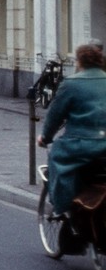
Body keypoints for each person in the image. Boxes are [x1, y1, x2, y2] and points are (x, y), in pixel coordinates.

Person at [37, 43, 106, 216]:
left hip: (80, 145)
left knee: (55, 158)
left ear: (80, 62)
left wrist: (45, 137)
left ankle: (63, 206)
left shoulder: (71, 83)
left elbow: (55, 115)